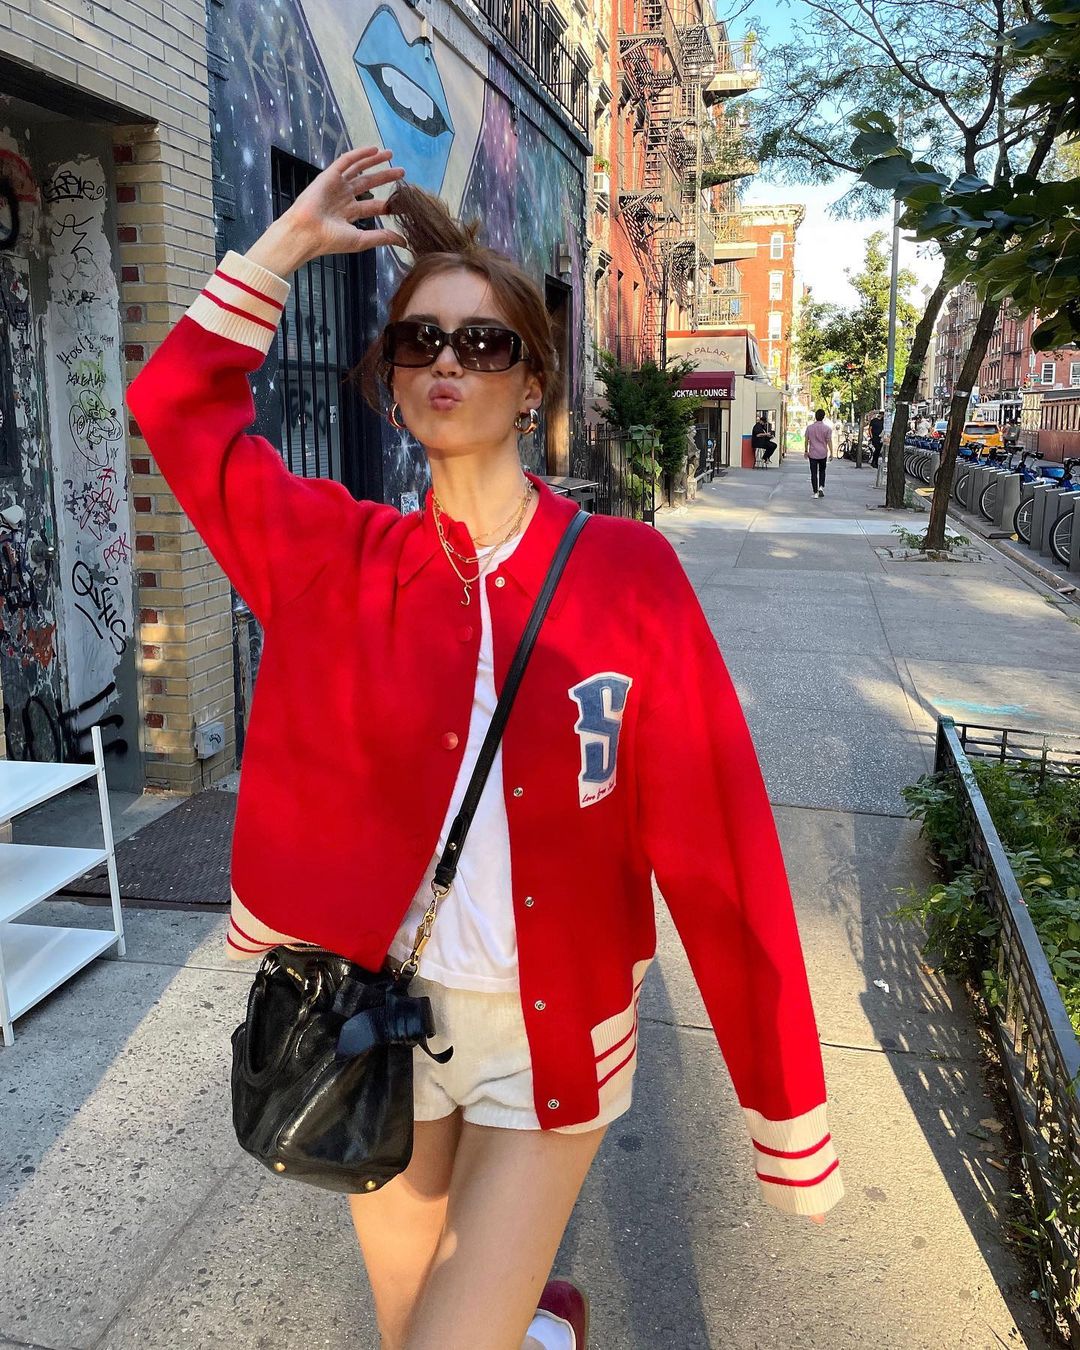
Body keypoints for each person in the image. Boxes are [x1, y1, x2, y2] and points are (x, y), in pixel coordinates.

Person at [126, 147, 843, 1350]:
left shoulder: (627, 575)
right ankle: (542, 1332)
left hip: (549, 1036)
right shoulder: (332, 558)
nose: (448, 362)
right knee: (416, 1329)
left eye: (484, 343)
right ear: (392, 378)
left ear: (531, 382)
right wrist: (286, 246)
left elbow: (718, 839)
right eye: (420, 341)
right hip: (374, 1024)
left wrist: (785, 1103)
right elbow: (176, 410)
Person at [804, 408, 834, 497]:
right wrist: (831, 453)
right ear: (823, 417)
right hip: (823, 453)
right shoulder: (827, 429)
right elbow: (829, 441)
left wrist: (806, 450)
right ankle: (821, 487)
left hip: (813, 453)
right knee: (822, 471)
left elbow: (806, 440)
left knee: (813, 473)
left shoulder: (809, 428)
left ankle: (815, 492)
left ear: (815, 417)